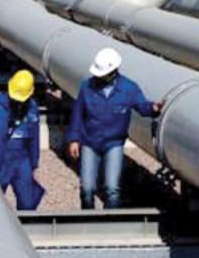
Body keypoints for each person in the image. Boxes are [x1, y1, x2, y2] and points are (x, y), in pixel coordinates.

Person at [65, 47, 164, 209]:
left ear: (113, 71)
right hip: (90, 142)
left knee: (112, 189)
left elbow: (141, 105)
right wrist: (74, 139)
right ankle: (87, 217)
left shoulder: (128, 88)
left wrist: (153, 108)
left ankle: (110, 218)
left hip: (114, 143)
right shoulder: (87, 87)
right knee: (87, 189)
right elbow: (77, 114)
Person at [0, 69, 45, 210]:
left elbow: (34, 139)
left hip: (22, 160)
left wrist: (34, 163)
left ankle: (25, 223)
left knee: (28, 203)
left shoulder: (32, 109)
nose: (18, 102)